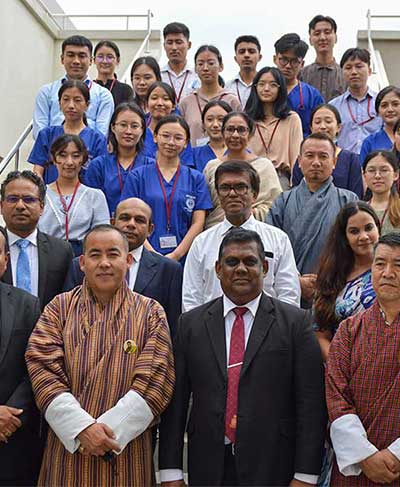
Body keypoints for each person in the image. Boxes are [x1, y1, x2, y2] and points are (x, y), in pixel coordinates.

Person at [159, 228, 326, 486]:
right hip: (208, 465)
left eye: (250, 261)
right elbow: (177, 401)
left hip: (274, 465)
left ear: (265, 267)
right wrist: (170, 471)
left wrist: (305, 475)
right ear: (217, 268)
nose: (240, 269)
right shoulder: (190, 324)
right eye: (231, 262)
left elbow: (310, 403)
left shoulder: (296, 323)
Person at [26, 224, 175, 486]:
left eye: (113, 254)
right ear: (82, 263)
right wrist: (82, 429)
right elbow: (43, 370)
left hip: (125, 452)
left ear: (128, 260)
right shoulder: (58, 309)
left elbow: (155, 381)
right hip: (68, 451)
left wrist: (104, 435)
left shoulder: (151, 312)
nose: (104, 263)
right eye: (95, 255)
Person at [326, 232, 400, 487]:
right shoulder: (348, 330)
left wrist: (394, 455)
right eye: (380, 264)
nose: (388, 273)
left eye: (398, 265)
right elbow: (337, 399)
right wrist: (366, 456)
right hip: (357, 470)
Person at [183, 160, 300, 311]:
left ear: (255, 194)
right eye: (225, 188)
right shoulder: (201, 243)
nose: (232, 194)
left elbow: (289, 295)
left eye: (240, 187)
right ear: (218, 194)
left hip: (269, 329)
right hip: (212, 330)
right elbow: (191, 299)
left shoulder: (278, 240)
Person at [63, 197, 183, 337]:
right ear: (112, 222)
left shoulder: (169, 270)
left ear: (150, 229)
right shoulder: (81, 265)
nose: (131, 224)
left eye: (139, 220)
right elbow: (69, 317)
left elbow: (172, 328)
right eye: (125, 218)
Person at [267, 133, 358, 307]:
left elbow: (359, 250)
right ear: (299, 161)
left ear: (334, 163)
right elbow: (269, 251)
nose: (316, 162)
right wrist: (295, 281)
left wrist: (332, 280)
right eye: (309, 156)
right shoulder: (282, 202)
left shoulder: (349, 201)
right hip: (288, 293)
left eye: (323, 156)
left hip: (338, 292)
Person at [121, 115, 212, 261]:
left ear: (186, 143)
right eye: (165, 136)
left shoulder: (196, 178)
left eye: (178, 138)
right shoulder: (137, 176)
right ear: (155, 137)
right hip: (144, 255)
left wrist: (176, 255)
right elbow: (129, 220)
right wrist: (151, 254)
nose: (171, 142)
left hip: (185, 257)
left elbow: (198, 222)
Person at [0, 228, 43, 487]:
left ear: (5, 259)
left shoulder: (27, 304)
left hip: (12, 441)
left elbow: (36, 368)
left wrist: (9, 416)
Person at [313, 202, 380, 361]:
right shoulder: (332, 276)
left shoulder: (393, 272)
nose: (363, 236)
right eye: (354, 231)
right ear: (345, 237)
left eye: (369, 228)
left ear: (378, 228)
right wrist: (339, 367)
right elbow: (320, 334)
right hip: (340, 367)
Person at [0, 170, 73, 309]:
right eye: (12, 199)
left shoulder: (62, 251)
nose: (20, 206)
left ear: (41, 207)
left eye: (28, 199)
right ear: (1, 206)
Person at [203, 111, 282, 228]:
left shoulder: (264, 166)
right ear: (223, 133)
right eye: (230, 129)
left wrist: (247, 213)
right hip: (217, 231)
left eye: (241, 130)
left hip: (256, 231)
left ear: (250, 134)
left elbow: (275, 204)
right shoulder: (212, 167)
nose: (235, 135)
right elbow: (205, 207)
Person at [38, 135, 109, 256]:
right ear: (54, 159)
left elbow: (102, 235)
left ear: (83, 159)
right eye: (63, 155)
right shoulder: (40, 194)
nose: (69, 162)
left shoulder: (95, 196)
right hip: (46, 256)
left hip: (82, 258)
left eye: (76, 156)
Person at [33, 35, 114, 138]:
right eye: (71, 55)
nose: (76, 61)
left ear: (91, 61)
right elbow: (39, 132)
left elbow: (102, 135)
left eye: (82, 56)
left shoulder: (104, 95)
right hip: (52, 151)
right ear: (62, 59)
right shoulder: (46, 92)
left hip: (89, 152)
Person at [29, 80, 108, 184]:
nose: (71, 105)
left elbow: (100, 174)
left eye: (77, 100)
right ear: (59, 104)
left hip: (85, 196)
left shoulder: (97, 139)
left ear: (87, 105)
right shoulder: (47, 134)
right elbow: (38, 170)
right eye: (66, 99)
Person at [84, 102, 154, 216]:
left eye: (134, 126)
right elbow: (90, 205)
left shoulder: (151, 166)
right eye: (123, 125)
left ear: (142, 130)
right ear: (113, 127)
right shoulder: (98, 165)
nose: (128, 131)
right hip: (105, 228)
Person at [245, 66, 303, 188]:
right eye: (261, 84)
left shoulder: (291, 119)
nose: (266, 89)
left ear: (280, 89)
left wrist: (295, 186)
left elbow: (296, 156)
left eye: (272, 85)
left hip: (280, 178)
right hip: (251, 178)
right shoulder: (246, 119)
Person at [292, 104, 364, 197]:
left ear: (339, 127)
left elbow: (356, 194)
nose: (323, 126)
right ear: (311, 128)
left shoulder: (351, 159)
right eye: (317, 122)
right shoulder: (304, 157)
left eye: (328, 121)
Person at [179, 45, 241, 147]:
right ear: (195, 68)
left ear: (221, 67)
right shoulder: (186, 102)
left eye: (211, 63)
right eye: (200, 64)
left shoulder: (231, 100)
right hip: (194, 160)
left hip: (226, 159)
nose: (205, 68)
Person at [330, 48, 382, 154]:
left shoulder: (382, 103)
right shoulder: (333, 106)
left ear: (370, 71)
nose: (353, 72)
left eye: (359, 66)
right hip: (344, 164)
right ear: (342, 73)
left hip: (376, 164)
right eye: (348, 68)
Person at [274, 33, 324, 137]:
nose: (288, 66)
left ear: (302, 64)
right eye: (283, 59)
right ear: (275, 59)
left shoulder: (312, 95)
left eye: (294, 61)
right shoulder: (264, 91)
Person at [142, 81, 194, 167]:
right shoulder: (140, 133)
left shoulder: (181, 134)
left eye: (165, 99)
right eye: (154, 98)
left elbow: (187, 165)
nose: (159, 103)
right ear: (147, 103)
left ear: (173, 105)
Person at [300, 15, 346, 102]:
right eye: (317, 34)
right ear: (310, 40)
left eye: (327, 32)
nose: (322, 37)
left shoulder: (345, 74)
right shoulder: (302, 74)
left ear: (336, 38)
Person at [161, 22, 200, 103]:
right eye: (169, 43)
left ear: (189, 45)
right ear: (164, 45)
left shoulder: (198, 75)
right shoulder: (158, 76)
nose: (174, 47)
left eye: (179, 42)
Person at [360, 85, 400, 164]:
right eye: (384, 106)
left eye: (395, 104)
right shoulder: (370, 142)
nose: (390, 109)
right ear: (378, 111)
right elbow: (364, 172)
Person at [363, 150, 400, 235]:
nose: (377, 176)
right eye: (371, 171)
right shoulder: (359, 211)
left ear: (395, 175)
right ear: (364, 176)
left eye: (384, 170)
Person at [192, 100, 232, 172]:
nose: (215, 125)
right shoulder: (193, 155)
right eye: (210, 119)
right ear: (203, 124)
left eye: (221, 120)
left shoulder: (240, 152)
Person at [225, 35, 263, 109]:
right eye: (242, 52)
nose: (246, 55)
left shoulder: (266, 85)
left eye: (251, 51)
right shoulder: (228, 87)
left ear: (259, 57)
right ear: (235, 58)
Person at [93, 40, 134, 107]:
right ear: (94, 60)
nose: (105, 61)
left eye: (110, 57)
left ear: (118, 60)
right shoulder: (88, 88)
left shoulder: (126, 90)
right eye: (100, 57)